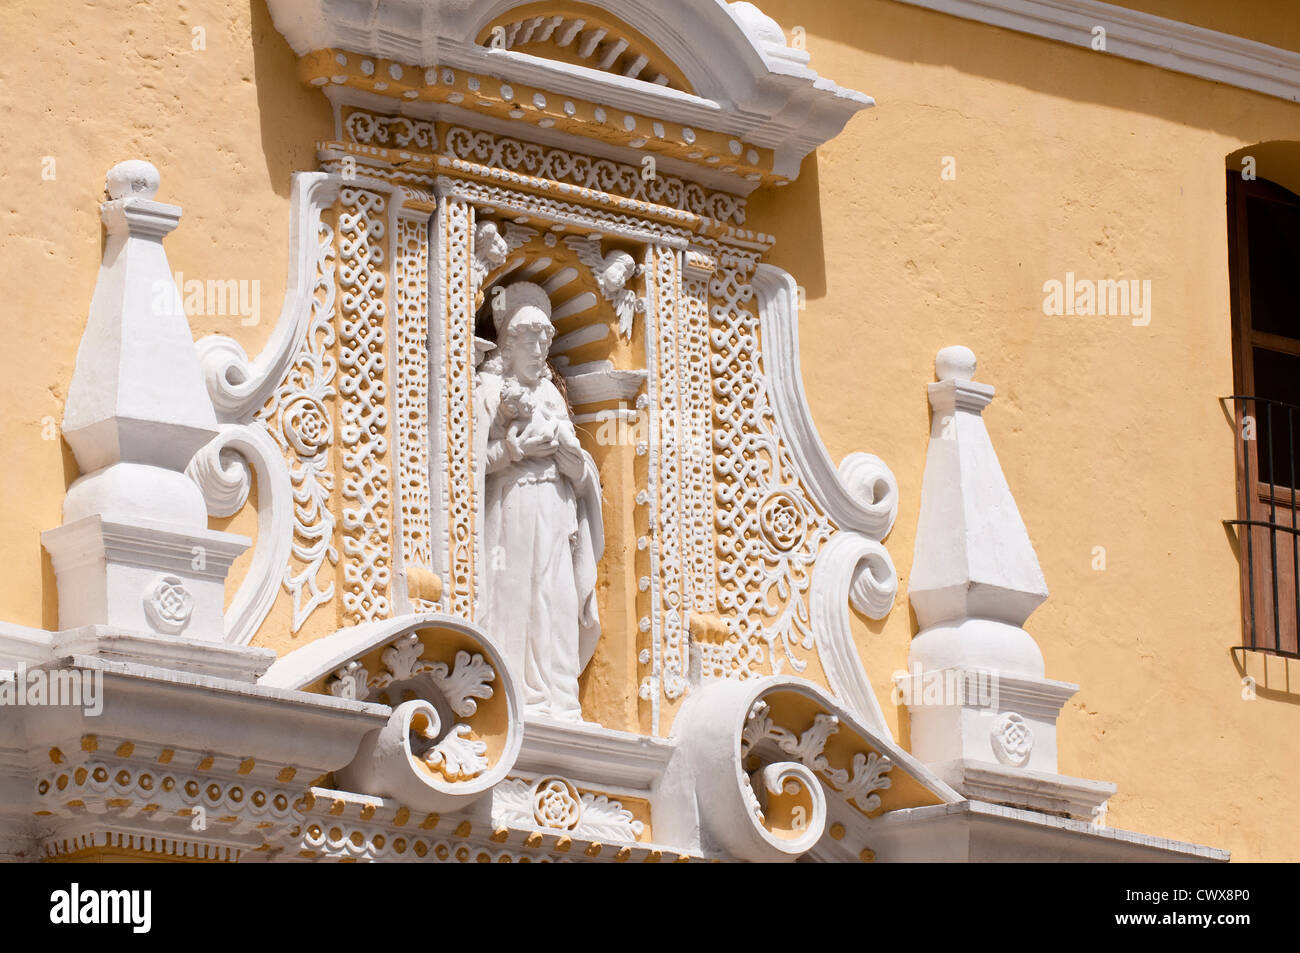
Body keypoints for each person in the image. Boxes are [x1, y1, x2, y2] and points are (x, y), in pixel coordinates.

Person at [478, 282, 604, 721]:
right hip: (513, 506)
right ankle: (518, 693)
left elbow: (582, 469)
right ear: (508, 346)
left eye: (543, 345)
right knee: (517, 593)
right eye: (529, 344)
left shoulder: (552, 396)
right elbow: (466, 462)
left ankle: (560, 697)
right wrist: (514, 452)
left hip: (556, 507)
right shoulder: (488, 391)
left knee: (558, 597)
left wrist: (576, 467)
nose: (537, 353)